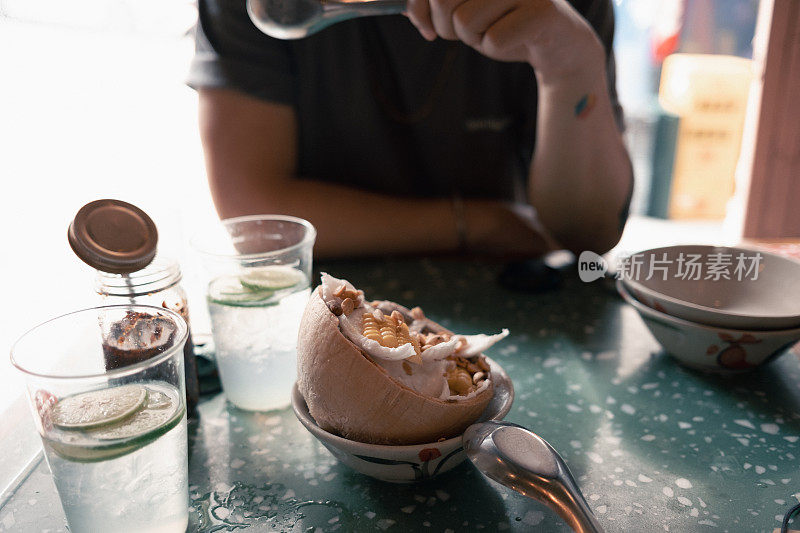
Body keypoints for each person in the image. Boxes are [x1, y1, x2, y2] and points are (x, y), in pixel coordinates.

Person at [188, 0, 633, 259]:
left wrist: (569, 60)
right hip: (325, 305)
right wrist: (479, 223)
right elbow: (255, 216)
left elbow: (589, 234)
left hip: (513, 296)